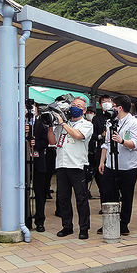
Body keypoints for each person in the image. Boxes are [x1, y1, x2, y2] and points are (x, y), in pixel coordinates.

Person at [47, 96, 93, 239]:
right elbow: (52, 141)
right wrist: (50, 126)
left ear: (84, 110)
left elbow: (78, 136)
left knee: (81, 198)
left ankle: (84, 228)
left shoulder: (86, 124)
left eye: (79, 106)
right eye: (73, 105)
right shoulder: (61, 124)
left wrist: (63, 123)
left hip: (77, 165)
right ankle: (67, 226)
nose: (75, 107)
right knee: (63, 198)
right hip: (61, 164)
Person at [97, 95, 137, 236]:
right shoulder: (111, 121)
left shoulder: (133, 123)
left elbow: (136, 144)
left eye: (114, 106)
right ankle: (109, 222)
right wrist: (102, 161)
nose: (111, 108)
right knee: (107, 194)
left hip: (127, 167)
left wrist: (122, 141)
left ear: (120, 108)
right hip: (111, 165)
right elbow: (106, 143)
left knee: (127, 196)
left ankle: (123, 224)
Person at [31, 103, 48, 232]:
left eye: (33, 107)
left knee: (40, 193)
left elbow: (45, 142)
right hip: (23, 164)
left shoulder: (42, 124)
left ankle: (40, 220)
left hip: (38, 162)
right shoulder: (17, 123)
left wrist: (35, 144)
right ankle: (25, 219)